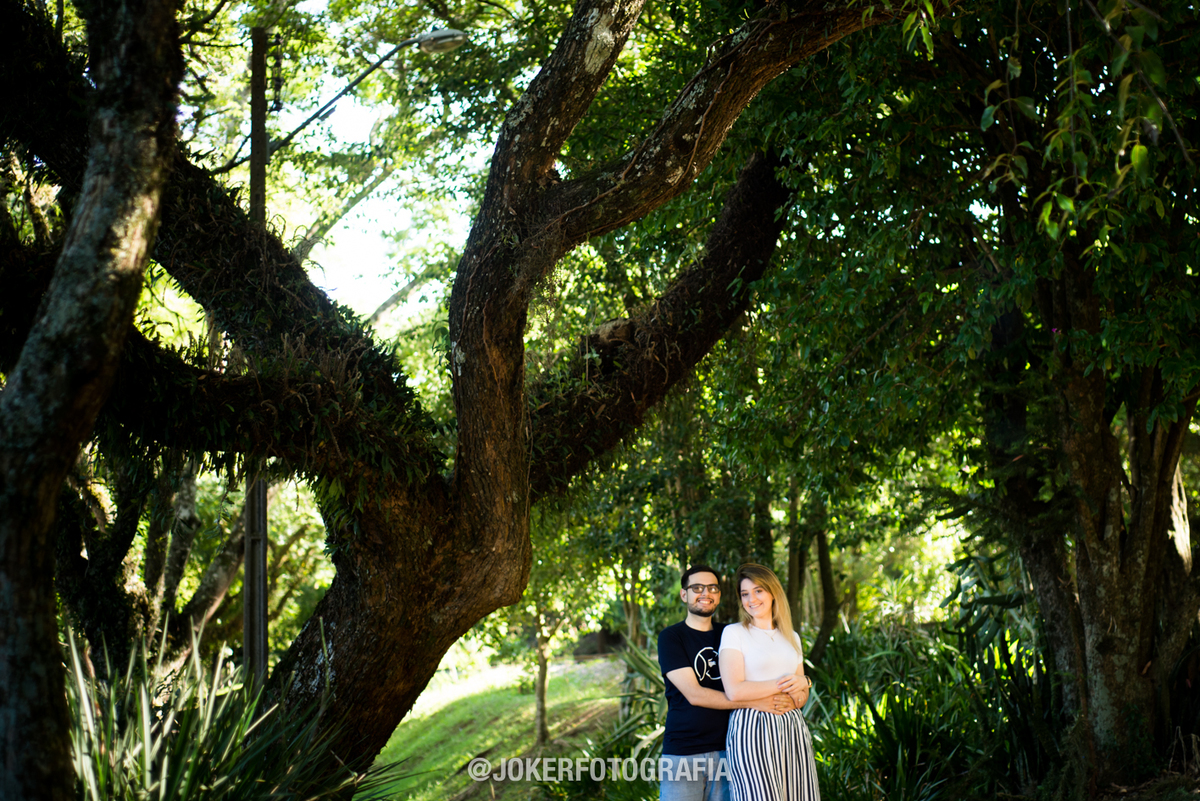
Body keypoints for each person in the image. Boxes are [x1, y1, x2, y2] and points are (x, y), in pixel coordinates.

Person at [658, 564, 797, 801]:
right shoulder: (672, 637)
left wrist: (802, 682)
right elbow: (695, 694)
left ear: (719, 595)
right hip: (684, 753)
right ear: (684, 594)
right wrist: (754, 703)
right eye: (697, 588)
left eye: (712, 588)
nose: (706, 593)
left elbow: (762, 672)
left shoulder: (732, 633)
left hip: (730, 751)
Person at [718, 563, 818, 801]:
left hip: (792, 728)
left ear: (773, 592)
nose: (751, 599)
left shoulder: (792, 637)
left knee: (798, 795)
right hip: (752, 728)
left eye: (758, 591)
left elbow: (801, 695)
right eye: (745, 594)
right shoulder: (734, 633)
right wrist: (792, 682)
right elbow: (734, 691)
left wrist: (798, 694)